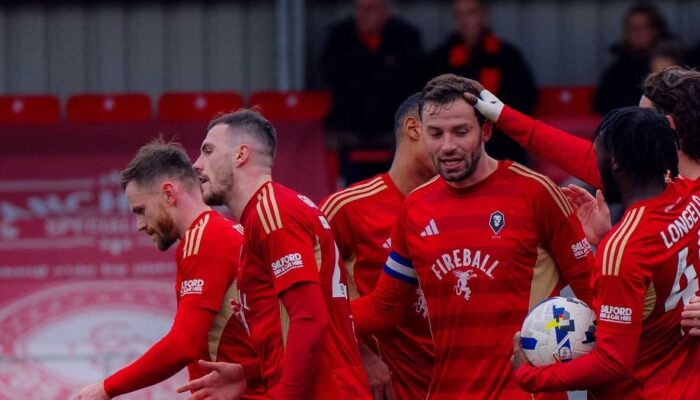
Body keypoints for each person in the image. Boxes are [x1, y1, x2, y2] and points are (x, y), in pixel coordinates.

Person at [350, 74, 595, 399]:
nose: (447, 146)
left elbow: (594, 292)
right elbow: (385, 308)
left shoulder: (536, 192)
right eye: (436, 133)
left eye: (461, 131)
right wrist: (316, 316)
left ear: (486, 130)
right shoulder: (415, 208)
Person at [179, 110, 371, 399]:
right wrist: (249, 373)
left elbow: (309, 320)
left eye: (208, 151)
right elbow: (292, 330)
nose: (197, 164)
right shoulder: (271, 212)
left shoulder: (274, 214)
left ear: (240, 155)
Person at [512, 107, 700, 399]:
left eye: (597, 153)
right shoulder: (689, 196)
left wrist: (531, 376)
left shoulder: (625, 248)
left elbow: (613, 362)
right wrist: (605, 240)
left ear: (614, 161)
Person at [73, 140, 266, 399]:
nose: (140, 224)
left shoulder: (205, 240)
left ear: (168, 193)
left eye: (141, 210)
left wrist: (106, 388)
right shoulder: (225, 232)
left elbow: (183, 344)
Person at [319, 93, 436, 400]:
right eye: (440, 133)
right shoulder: (347, 207)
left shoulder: (462, 207)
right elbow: (306, 298)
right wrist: (358, 352)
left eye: (462, 134)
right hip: (388, 390)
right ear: (413, 129)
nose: (455, 146)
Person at [466, 66, 700, 187]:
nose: (634, 126)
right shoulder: (647, 176)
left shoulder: (652, 184)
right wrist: (503, 115)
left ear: (669, 126)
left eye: (643, 119)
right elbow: (575, 154)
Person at [427, 0, 537, 165]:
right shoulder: (440, 58)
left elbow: (526, 99)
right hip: (455, 140)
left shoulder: (507, 56)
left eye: (470, 13)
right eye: (459, 15)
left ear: (484, 15)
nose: (464, 20)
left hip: (501, 141)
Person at [321, 0, 424, 156]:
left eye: (371, 9)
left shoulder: (406, 38)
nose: (364, 15)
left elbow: (411, 80)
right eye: (360, 8)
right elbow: (332, 77)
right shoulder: (340, 38)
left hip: (392, 123)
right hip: (349, 124)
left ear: (386, 11)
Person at [593, 2, 671, 115]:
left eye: (641, 28)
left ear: (655, 30)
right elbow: (600, 105)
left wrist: (663, 77)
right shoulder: (617, 70)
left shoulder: (671, 63)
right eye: (630, 28)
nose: (635, 33)